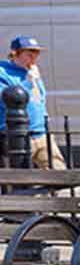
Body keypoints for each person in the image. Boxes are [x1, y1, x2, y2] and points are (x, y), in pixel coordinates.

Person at [0, 36, 65, 168]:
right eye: (29, 54)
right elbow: (7, 99)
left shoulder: (32, 71)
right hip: (15, 137)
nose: (34, 58)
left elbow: (40, 98)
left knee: (59, 173)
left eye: (37, 54)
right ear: (15, 54)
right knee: (18, 181)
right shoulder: (3, 73)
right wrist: (28, 82)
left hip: (40, 134)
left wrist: (45, 119)